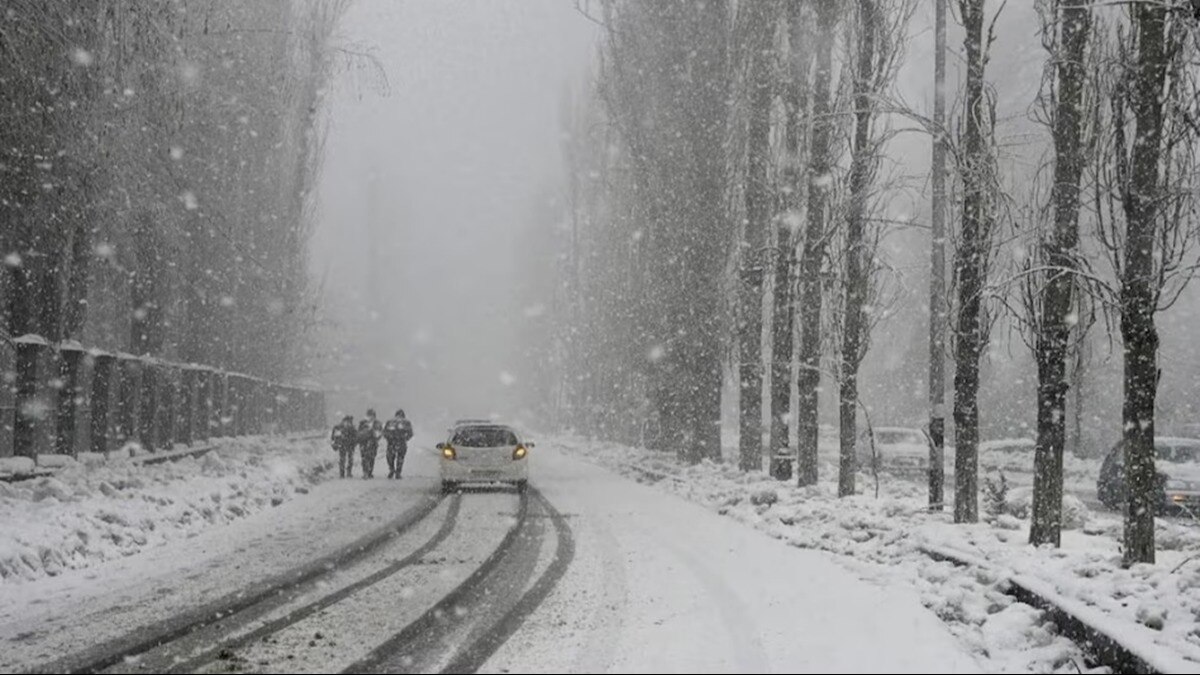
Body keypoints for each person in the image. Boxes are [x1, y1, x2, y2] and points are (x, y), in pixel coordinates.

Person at [383, 409, 414, 479]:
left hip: (391, 442)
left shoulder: (390, 421)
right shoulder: (406, 422)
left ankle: (392, 469)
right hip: (401, 442)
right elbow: (410, 433)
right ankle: (398, 472)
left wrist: (389, 438)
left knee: (390, 457)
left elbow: (384, 432)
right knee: (400, 458)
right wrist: (405, 438)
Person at [357, 409, 383, 479]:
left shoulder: (363, 423)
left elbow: (358, 432)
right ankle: (366, 472)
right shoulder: (376, 423)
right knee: (366, 457)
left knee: (370, 457)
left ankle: (368, 472)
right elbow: (380, 433)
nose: (371, 417)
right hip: (367, 443)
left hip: (369, 443)